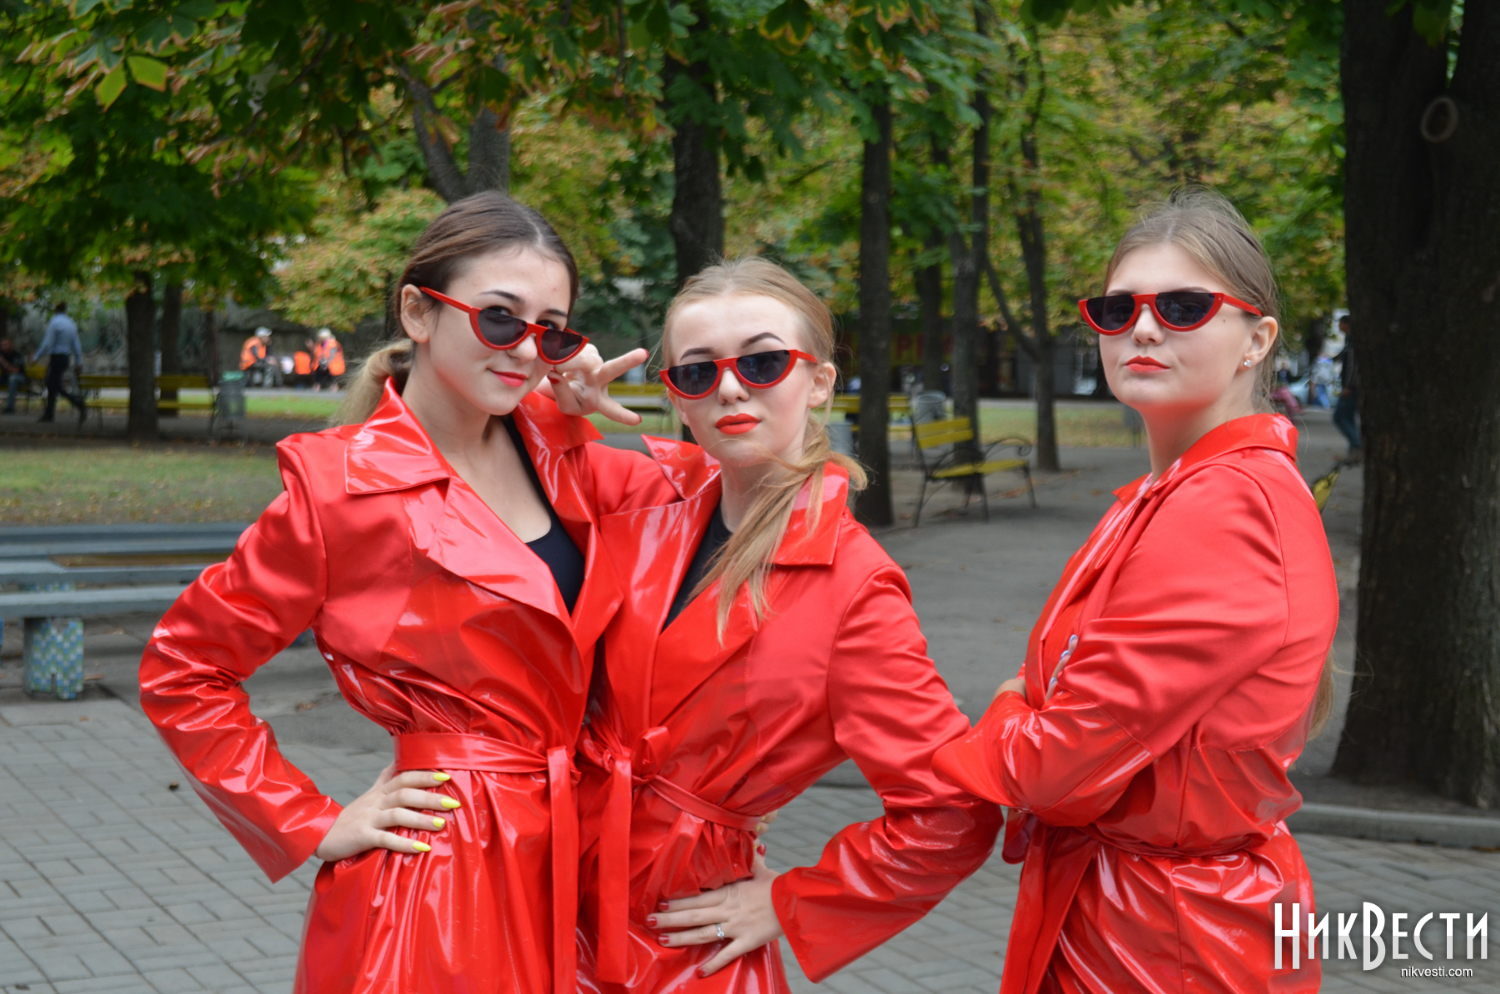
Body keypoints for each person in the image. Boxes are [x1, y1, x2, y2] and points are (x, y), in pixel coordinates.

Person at [139, 192, 662, 994]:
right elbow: (184, 668)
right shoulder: (341, 490)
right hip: (440, 884)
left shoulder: (562, 456)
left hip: (578, 855)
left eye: (551, 331)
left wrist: (583, 417)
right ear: (419, 311)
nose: (526, 349)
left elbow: (732, 515)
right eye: (499, 318)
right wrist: (310, 819)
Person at [932, 189, 1337, 994]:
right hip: (1147, 918)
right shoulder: (1176, 491)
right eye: (1119, 309)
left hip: (1165, 940)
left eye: (1183, 307)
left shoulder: (1224, 503)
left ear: (1257, 339)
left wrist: (1004, 712)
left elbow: (1055, 766)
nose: (1143, 329)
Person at [575, 258, 1002, 994]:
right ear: (677, 399)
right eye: (697, 372)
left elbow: (952, 812)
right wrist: (555, 402)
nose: (730, 388)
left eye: (764, 362)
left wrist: (791, 900)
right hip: (555, 895)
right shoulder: (644, 503)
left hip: (684, 936)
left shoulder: (855, 585)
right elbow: (483, 470)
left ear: (820, 382)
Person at [32, 301, 86, 423]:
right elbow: (76, 345)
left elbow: (48, 343)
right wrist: (79, 361)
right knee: (52, 384)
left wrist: (36, 357)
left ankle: (79, 404)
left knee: (54, 385)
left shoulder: (55, 322)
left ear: (55, 310)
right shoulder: (71, 323)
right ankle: (49, 413)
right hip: (65, 358)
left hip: (56, 357)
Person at [1332, 315, 1360, 462]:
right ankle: (1354, 450)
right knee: (1348, 417)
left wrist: (1348, 385)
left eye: (1341, 323)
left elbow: (1351, 365)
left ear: (1346, 324)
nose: (1339, 327)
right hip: (1352, 386)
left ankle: (1357, 445)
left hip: (1351, 387)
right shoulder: (1349, 340)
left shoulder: (1352, 340)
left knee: (1340, 417)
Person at [312, 327, 345, 391]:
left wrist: (326, 364)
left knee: (331, 376)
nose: (319, 338)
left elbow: (332, 355)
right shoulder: (320, 344)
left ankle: (334, 388)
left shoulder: (333, 344)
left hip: (332, 364)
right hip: (322, 363)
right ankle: (317, 387)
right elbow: (316, 353)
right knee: (319, 373)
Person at [0, 337, 25, 413]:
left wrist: (3, 362)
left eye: (6, 345)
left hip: (19, 378)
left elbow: (15, 371)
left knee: (12, 378)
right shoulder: (2, 354)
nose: (4, 347)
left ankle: (10, 407)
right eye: (2, 345)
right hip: (5, 378)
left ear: (11, 345)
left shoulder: (16, 355)